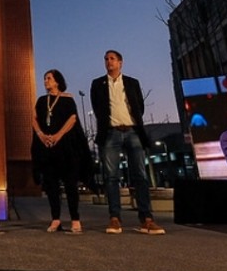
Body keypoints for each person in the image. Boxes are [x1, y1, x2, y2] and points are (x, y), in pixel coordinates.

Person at [90, 49, 165, 235]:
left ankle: (147, 219)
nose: (109, 62)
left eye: (112, 59)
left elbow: (139, 106)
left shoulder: (132, 83)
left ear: (120, 62)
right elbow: (97, 108)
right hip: (110, 133)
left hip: (132, 131)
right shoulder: (97, 84)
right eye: (106, 59)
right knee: (111, 177)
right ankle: (114, 218)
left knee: (140, 175)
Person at [32, 69, 83, 234]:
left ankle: (75, 219)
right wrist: (41, 135)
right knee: (51, 184)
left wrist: (57, 136)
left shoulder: (68, 99)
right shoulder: (41, 100)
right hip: (46, 146)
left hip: (65, 146)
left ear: (57, 81)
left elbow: (72, 119)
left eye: (49, 78)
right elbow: (33, 118)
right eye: (44, 78)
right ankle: (56, 219)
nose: (45, 81)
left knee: (70, 183)